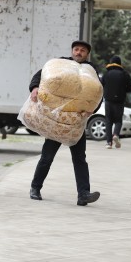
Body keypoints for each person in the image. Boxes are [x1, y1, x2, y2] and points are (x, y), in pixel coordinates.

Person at [28, 40, 101, 206]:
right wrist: (34, 88)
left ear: (87, 54)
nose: (79, 52)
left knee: (80, 159)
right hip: (57, 121)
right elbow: (40, 76)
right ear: (72, 51)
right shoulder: (61, 63)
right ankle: (35, 188)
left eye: (83, 50)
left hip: (76, 123)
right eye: (76, 49)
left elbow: (98, 92)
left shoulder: (91, 70)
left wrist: (93, 110)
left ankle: (84, 194)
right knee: (47, 157)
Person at [100, 55, 131, 149]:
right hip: (120, 101)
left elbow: (100, 86)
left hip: (108, 101)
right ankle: (116, 134)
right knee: (118, 120)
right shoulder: (124, 74)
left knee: (108, 121)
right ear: (120, 64)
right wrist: (123, 90)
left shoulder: (106, 74)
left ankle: (108, 143)